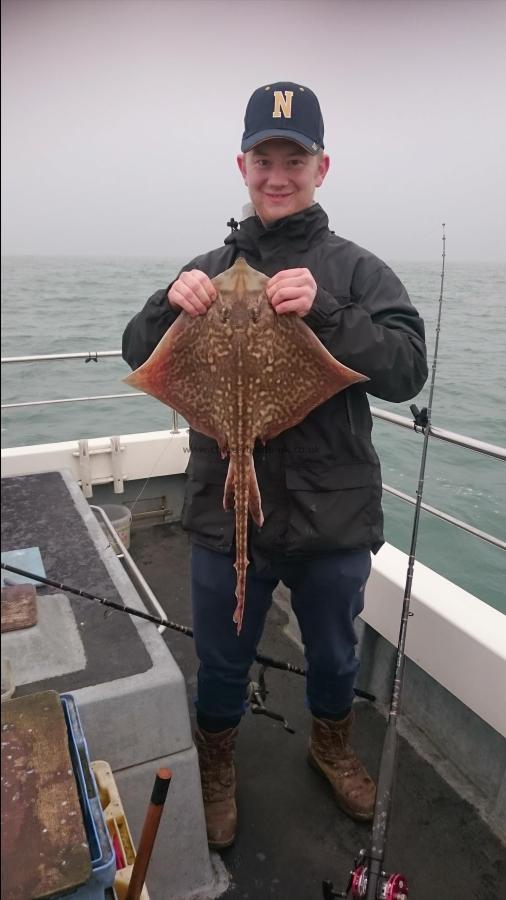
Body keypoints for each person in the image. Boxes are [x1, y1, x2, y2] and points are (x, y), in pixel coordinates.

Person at [122, 81, 428, 850]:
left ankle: (332, 746)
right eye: (265, 159)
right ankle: (217, 766)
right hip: (225, 504)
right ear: (243, 165)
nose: (278, 174)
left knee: (333, 651)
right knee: (222, 653)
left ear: (322, 167)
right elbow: (137, 352)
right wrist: (168, 303)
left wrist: (327, 310)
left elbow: (405, 369)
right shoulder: (206, 266)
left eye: (295, 158)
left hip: (332, 513)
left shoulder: (358, 271)